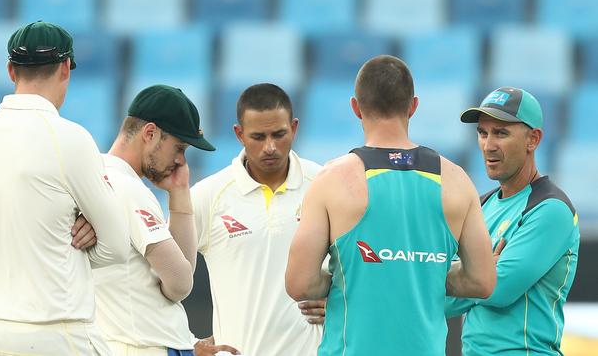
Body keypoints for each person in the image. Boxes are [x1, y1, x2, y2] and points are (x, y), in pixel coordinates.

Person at [285, 55, 497, 355]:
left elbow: (300, 284)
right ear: (413, 106)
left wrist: (358, 274)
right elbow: (482, 281)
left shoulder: (332, 180)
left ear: (356, 108)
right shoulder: (456, 180)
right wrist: (419, 270)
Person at [0, 21, 130, 355]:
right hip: (56, 333)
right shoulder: (70, 137)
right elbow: (117, 247)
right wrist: (83, 240)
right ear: (66, 67)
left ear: (11, 71)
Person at [87, 84, 238, 356]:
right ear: (150, 133)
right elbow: (180, 283)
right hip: (145, 345)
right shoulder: (127, 186)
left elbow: (180, 274)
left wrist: (179, 193)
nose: (180, 160)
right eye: (178, 147)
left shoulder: (94, 176)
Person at [190, 83, 324, 356]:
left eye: (279, 134)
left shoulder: (324, 186)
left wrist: (341, 302)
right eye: (258, 137)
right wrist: (187, 343)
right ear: (239, 134)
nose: (270, 147)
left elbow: (362, 265)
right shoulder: (208, 195)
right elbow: (150, 275)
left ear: (295, 128)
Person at [445, 87, 581, 355]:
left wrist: (466, 271)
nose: (488, 145)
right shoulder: (481, 204)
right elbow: (444, 303)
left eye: (501, 133)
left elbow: (497, 289)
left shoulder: (551, 209)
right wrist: (478, 270)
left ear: (533, 139)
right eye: (482, 133)